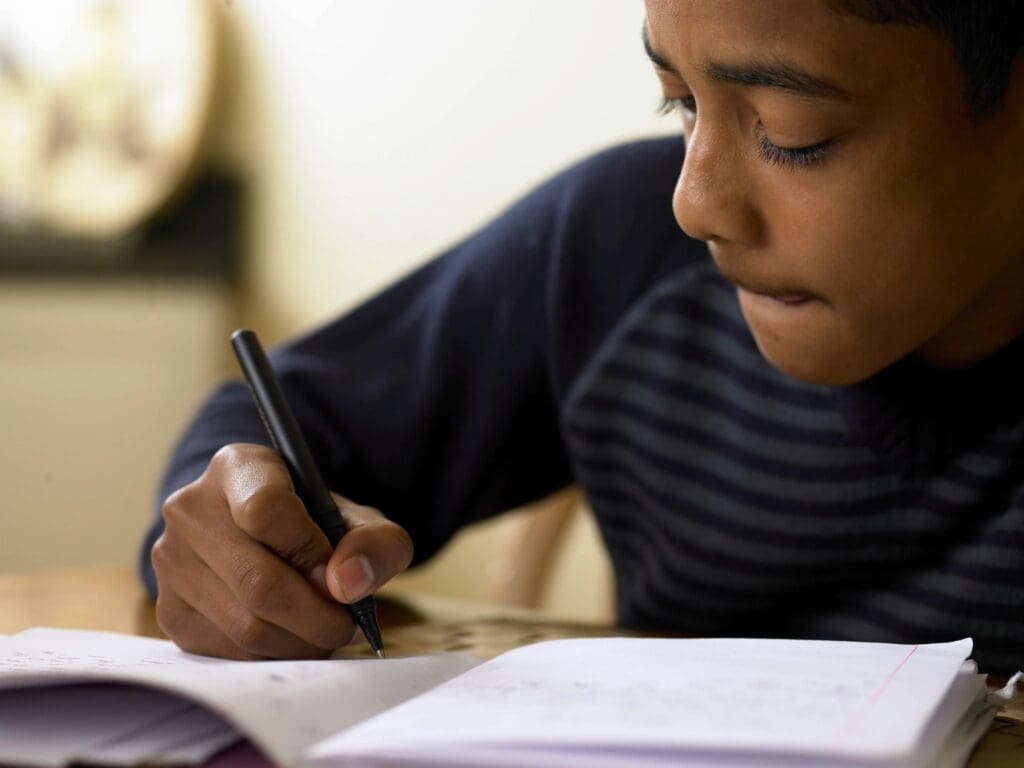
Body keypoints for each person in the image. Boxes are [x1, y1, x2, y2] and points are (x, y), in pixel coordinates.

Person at [141, 0, 1024, 673]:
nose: (695, 202)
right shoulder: (615, 256)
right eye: (676, 102)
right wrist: (239, 537)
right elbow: (275, 421)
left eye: (792, 135)